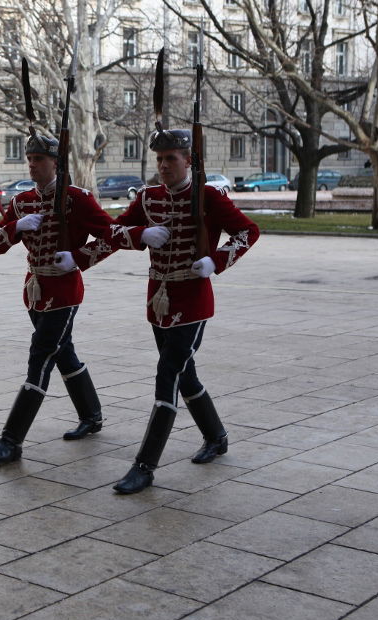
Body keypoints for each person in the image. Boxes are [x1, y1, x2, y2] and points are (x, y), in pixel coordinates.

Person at [58, 128, 259, 493]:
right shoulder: (148, 198)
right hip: (158, 300)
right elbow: (113, 233)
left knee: (167, 375)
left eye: (172, 159)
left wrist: (216, 261)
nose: (164, 166)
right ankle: (216, 436)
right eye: (160, 159)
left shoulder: (208, 196)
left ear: (189, 161)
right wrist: (136, 237)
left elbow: (248, 232)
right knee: (185, 376)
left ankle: (144, 466)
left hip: (193, 300)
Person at [0, 134, 123, 465]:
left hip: (64, 290)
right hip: (35, 290)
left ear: (56, 163)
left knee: (40, 356)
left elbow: (112, 235)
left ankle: (11, 440)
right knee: (64, 353)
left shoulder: (76, 198)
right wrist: (16, 226)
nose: (31, 164)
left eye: (39, 159)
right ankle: (92, 415)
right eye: (29, 159)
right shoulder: (22, 201)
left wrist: (79, 257)